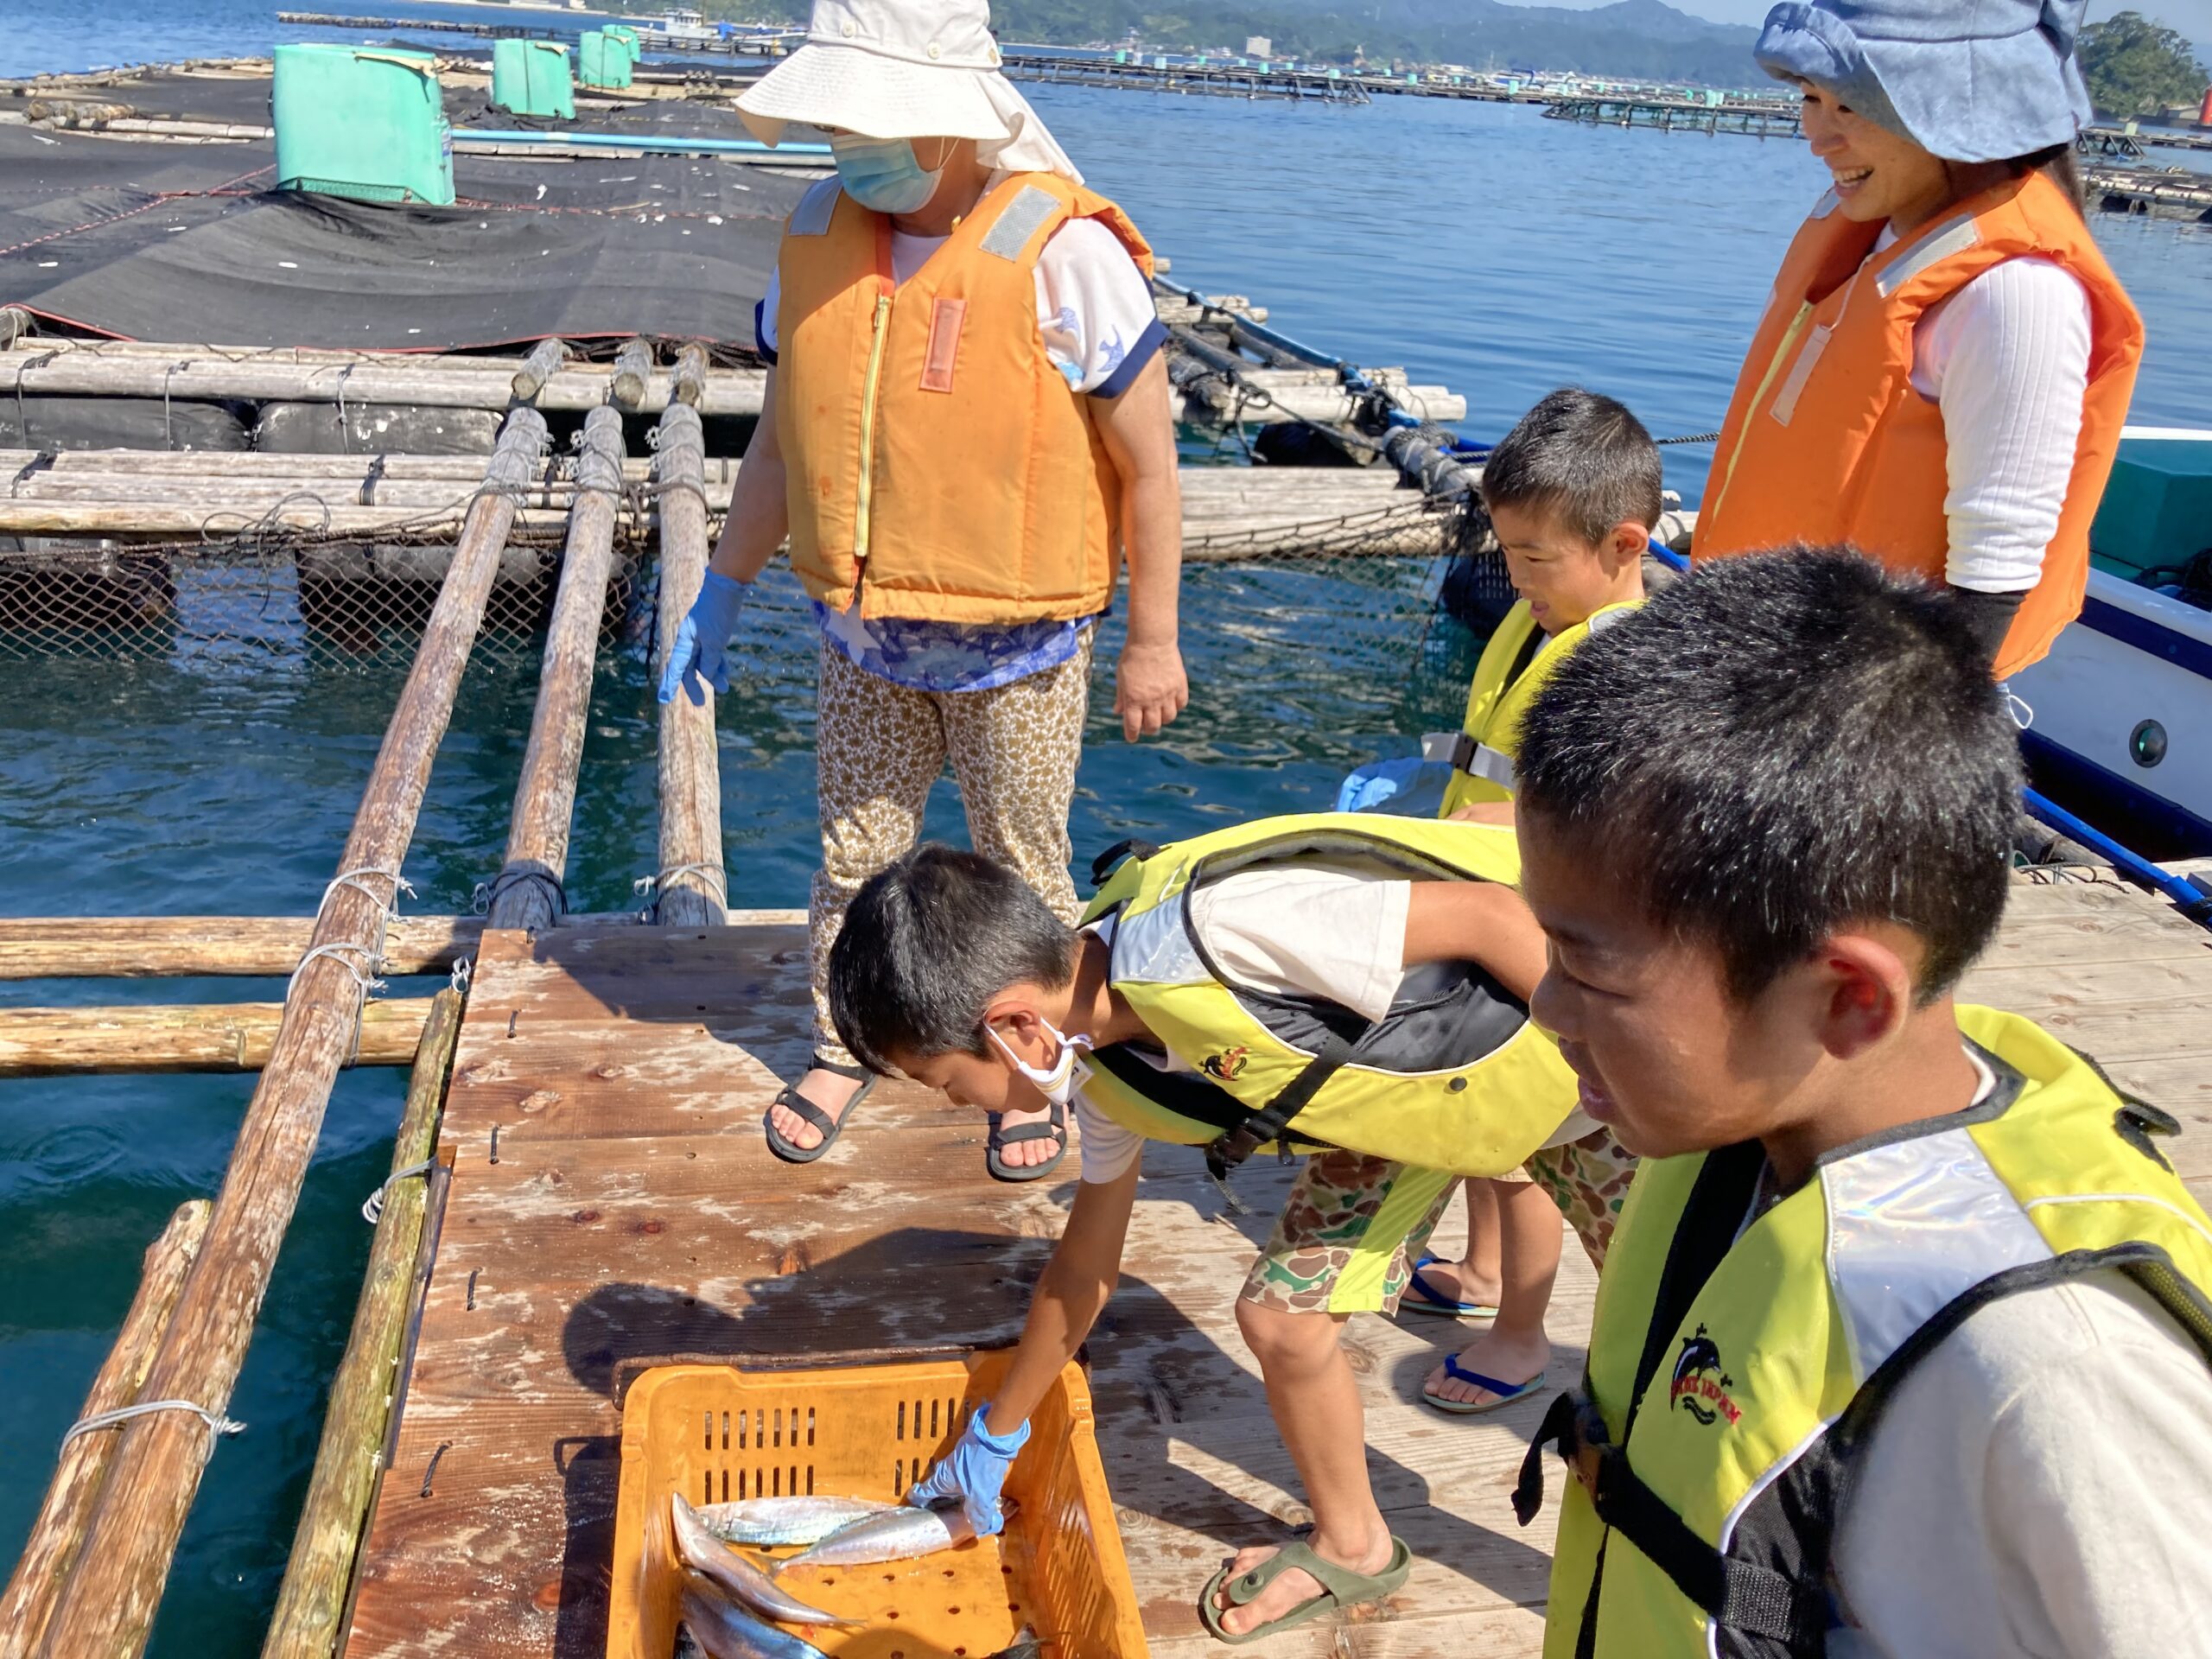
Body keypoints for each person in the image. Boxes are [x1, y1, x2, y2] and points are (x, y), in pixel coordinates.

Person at [1509, 549, 2212, 1658]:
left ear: (1844, 1000)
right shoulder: (1760, 1114)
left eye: (1590, 969)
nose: (1545, 1005)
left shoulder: (2054, 1376)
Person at [826, 812, 1592, 1641]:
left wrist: (1617, 1053)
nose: (952, 1104)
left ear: (1013, 1027)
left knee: (1672, 1328)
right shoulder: (1099, 1063)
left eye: (942, 1082)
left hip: (1579, 1071)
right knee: (1283, 1322)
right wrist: (996, 1431)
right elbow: (1083, 1268)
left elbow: (1487, 917)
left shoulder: (1224, 934)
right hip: (1412, 1115)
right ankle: (1356, 1545)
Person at [658, 0, 1187, 1182]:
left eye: (874, 120)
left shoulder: (1066, 254)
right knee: (853, 855)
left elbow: (1151, 466)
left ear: (951, 123)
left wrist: (1155, 636)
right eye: (840, 120)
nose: (851, 145)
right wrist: (723, 587)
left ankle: (1030, 1067)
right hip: (863, 638)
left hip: (1023, 649)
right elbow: (789, 445)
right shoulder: (816, 237)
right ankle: (848, 1038)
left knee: (1024, 863)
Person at [1694, 0, 2144, 680]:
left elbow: (1994, 576)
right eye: (1812, 98)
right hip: (1765, 675)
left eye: (1851, 106)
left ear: (1954, 113)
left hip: (1862, 715)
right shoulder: (1880, 232)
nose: (1817, 134)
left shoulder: (2017, 294)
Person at [1390, 391, 1654, 1418]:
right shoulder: (1543, 619)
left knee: (1519, 1146)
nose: (1515, 579)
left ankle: (1518, 1335)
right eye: (1508, 554)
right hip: (1481, 907)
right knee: (1481, 1135)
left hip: (1535, 942)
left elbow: (1562, 831)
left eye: (1536, 560)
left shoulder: (1618, 668)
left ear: (1622, 543)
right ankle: (1486, 1274)